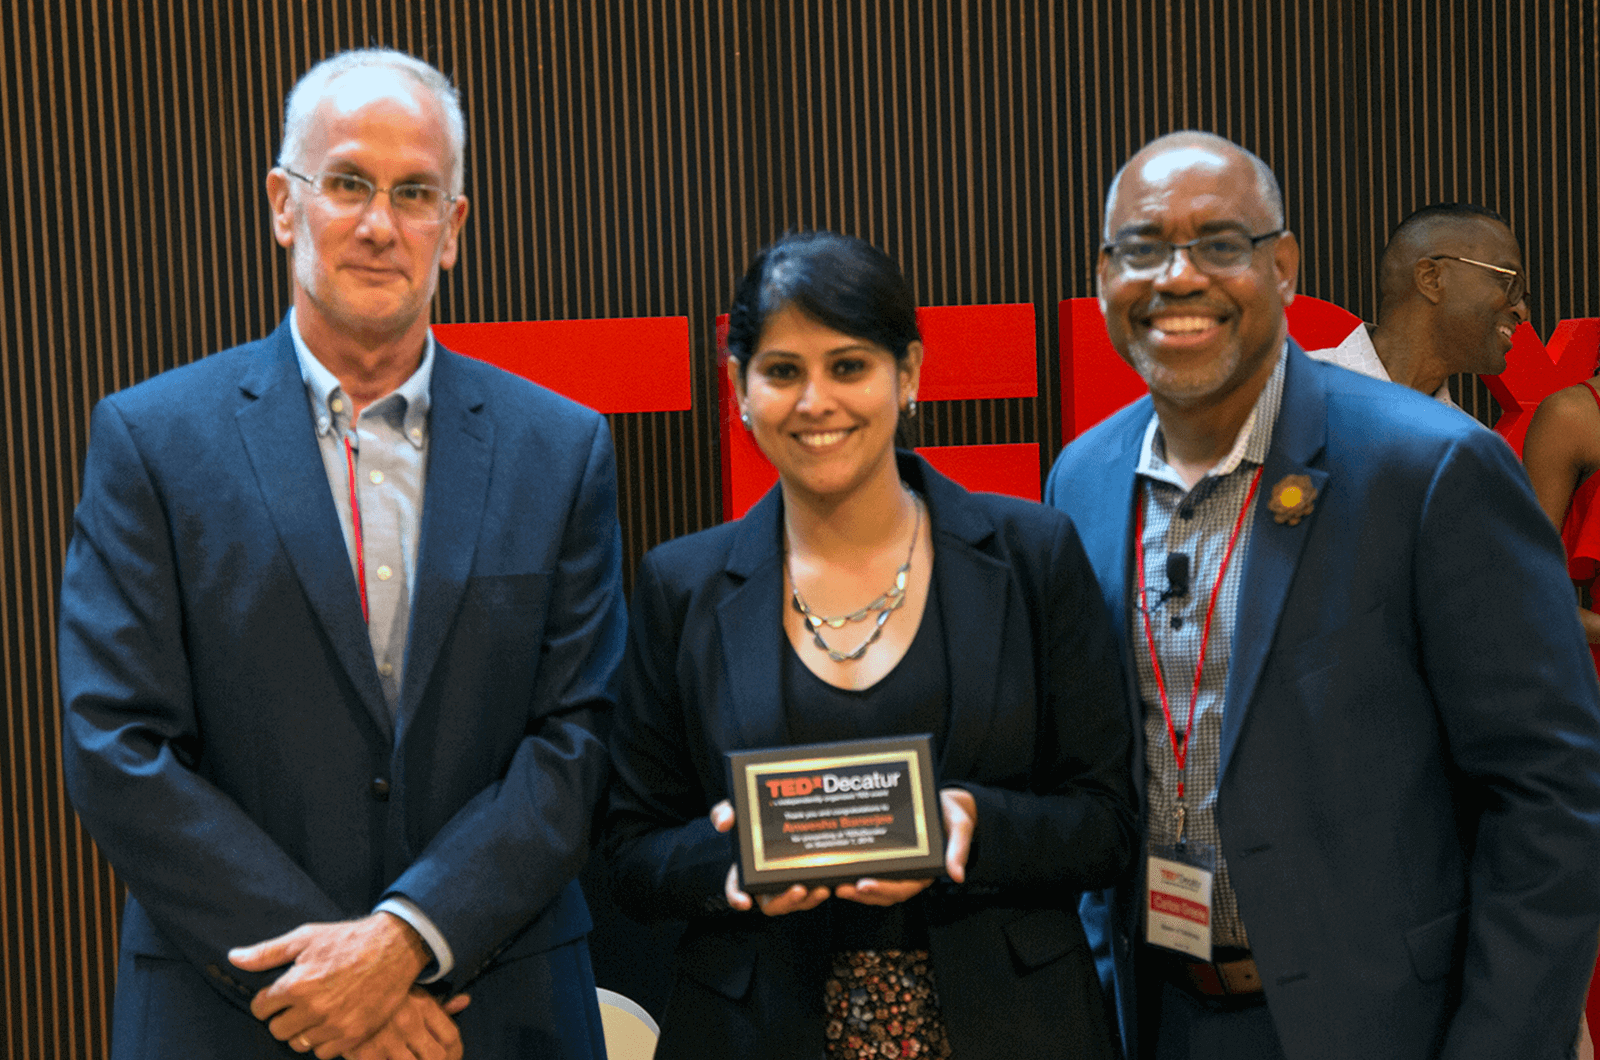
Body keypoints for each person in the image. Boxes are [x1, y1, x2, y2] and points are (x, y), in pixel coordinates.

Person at [57, 49, 624, 1060]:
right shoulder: (150, 440)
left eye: (415, 195)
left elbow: (576, 738)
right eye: (348, 184)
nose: (377, 224)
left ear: (452, 231)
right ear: (285, 204)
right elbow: (116, 744)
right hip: (234, 1006)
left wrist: (408, 939)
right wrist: (336, 976)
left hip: (492, 1011)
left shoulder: (560, 448)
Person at [1045, 130, 1600, 1060]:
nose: (1179, 277)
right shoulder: (1084, 478)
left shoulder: (1430, 468)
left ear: (1285, 266)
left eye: (1221, 244)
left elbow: (1551, 794)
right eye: (1142, 248)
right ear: (1106, 277)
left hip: (1380, 1022)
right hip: (1158, 1017)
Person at [603, 230, 1137, 1060]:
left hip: (1012, 1026)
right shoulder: (682, 585)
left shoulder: (1032, 556)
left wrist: (971, 824)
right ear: (739, 388)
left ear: (909, 373)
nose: (815, 400)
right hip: (757, 1028)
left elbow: (1109, 823)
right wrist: (731, 858)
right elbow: (631, 855)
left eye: (848, 365)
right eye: (782, 371)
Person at [1307, 203, 1529, 407]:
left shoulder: (1466, 444)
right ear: (1431, 279)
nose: (1521, 311)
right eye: (1508, 281)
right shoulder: (1288, 391)